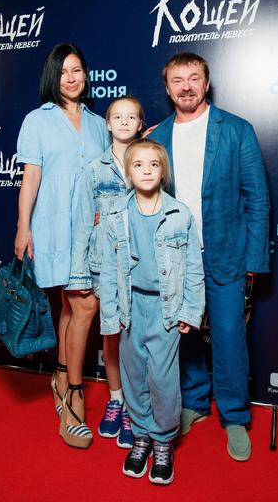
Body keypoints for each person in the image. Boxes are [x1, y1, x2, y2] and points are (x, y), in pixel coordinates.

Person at [151, 51, 270, 461]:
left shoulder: (236, 130)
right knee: (184, 335)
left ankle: (234, 416)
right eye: (177, 80)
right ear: (168, 89)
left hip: (226, 254)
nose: (186, 86)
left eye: (193, 78)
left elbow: (257, 199)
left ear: (206, 83)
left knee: (230, 337)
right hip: (177, 257)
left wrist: (254, 260)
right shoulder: (157, 136)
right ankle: (195, 402)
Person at [14, 43, 110, 449]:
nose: (71, 78)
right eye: (64, 71)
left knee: (74, 306)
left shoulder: (98, 124)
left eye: (77, 70)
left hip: (90, 231)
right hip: (53, 226)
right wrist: (23, 226)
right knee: (81, 305)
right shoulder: (37, 120)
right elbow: (31, 177)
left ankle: (59, 376)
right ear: (52, 76)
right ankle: (73, 394)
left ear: (86, 75)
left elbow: (109, 171)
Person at [99, 139, 205, 485]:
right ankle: (141, 435)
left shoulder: (180, 215)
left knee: (162, 378)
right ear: (128, 173)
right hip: (130, 308)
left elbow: (193, 269)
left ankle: (163, 441)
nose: (146, 171)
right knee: (134, 375)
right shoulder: (116, 215)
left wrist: (190, 310)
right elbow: (108, 271)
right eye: (138, 165)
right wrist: (110, 316)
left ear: (163, 172)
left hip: (166, 309)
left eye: (154, 165)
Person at [69, 96, 145, 449]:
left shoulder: (149, 162)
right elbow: (83, 223)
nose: (124, 122)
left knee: (136, 339)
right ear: (108, 124)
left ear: (140, 124)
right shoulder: (94, 170)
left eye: (132, 117)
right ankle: (116, 400)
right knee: (112, 336)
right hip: (104, 267)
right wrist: (80, 274)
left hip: (141, 267)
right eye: (118, 116)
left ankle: (133, 407)